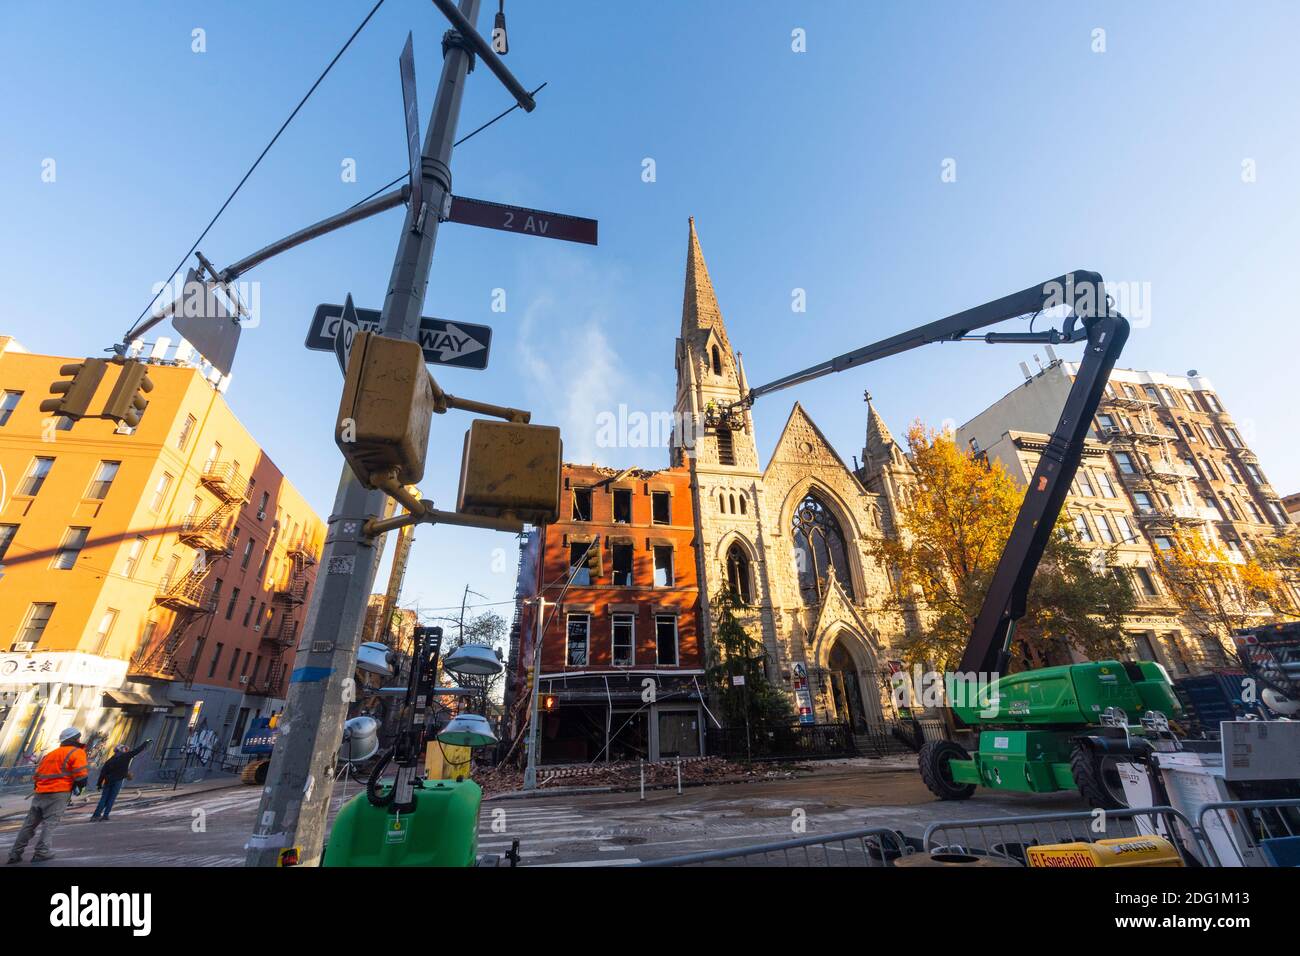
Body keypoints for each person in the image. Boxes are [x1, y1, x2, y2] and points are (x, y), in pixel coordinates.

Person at [7, 727, 89, 864]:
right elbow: (81, 778)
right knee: (49, 824)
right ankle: (42, 852)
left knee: (29, 825)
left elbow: (37, 776)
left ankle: (15, 853)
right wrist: (79, 788)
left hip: (40, 793)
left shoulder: (50, 755)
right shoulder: (77, 752)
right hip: (59, 793)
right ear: (76, 739)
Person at [91, 738, 152, 821]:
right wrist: (146, 742)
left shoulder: (109, 761)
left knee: (104, 798)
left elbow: (103, 773)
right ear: (122, 750)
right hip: (118, 781)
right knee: (111, 798)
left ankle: (96, 815)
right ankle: (105, 815)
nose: (126, 750)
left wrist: (99, 784)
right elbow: (137, 750)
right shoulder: (126, 756)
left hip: (108, 781)